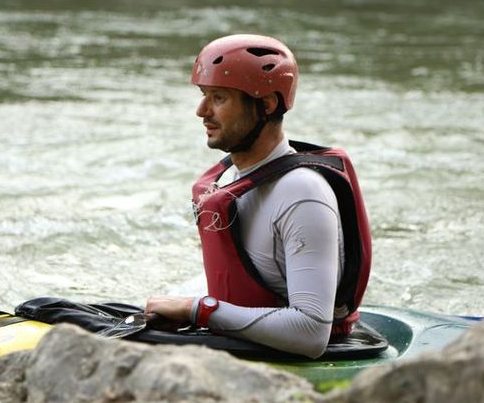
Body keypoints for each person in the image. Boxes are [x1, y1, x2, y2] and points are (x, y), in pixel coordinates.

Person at [145, 34, 371, 358]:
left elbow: (311, 333)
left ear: (265, 105)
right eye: (203, 95)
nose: (201, 111)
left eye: (219, 98)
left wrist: (198, 310)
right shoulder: (236, 179)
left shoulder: (301, 194)